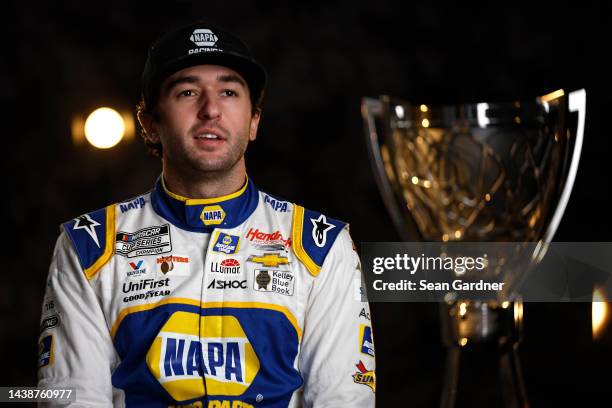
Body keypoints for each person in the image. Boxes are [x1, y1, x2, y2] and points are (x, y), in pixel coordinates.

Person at [38, 21, 375, 407]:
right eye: (187, 92)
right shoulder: (88, 244)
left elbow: (342, 400)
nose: (211, 109)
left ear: (254, 121)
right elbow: (71, 399)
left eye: (229, 91)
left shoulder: (321, 245)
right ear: (150, 122)